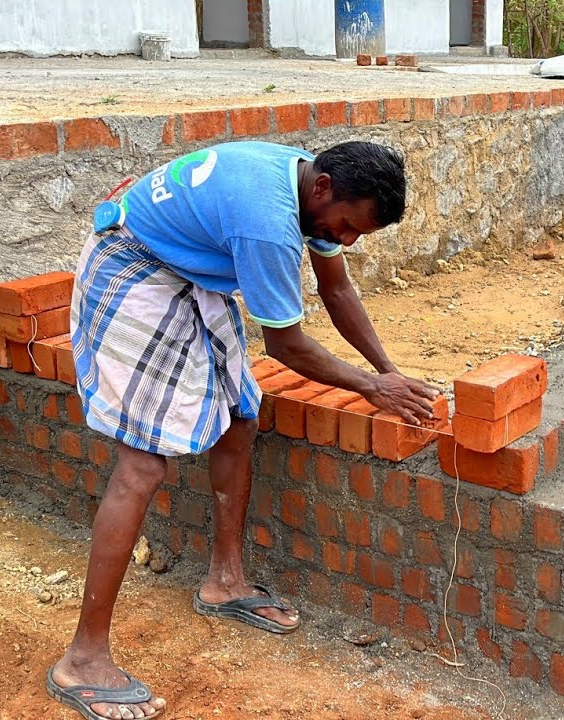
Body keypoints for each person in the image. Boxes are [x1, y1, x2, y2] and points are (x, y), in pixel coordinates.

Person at [46, 140, 439, 720]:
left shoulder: (315, 186)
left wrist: (389, 373)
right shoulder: (270, 223)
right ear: (324, 188)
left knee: (237, 420)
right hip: (134, 268)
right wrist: (369, 388)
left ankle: (224, 582)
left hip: (186, 270)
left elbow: (337, 288)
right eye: (348, 227)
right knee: (144, 464)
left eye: (359, 234)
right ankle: (82, 659)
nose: (346, 239)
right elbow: (285, 345)